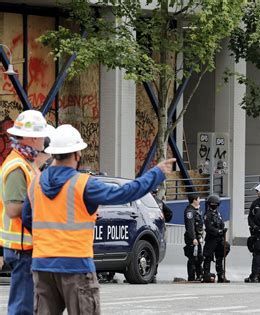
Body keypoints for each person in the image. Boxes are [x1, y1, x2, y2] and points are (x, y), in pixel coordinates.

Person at [21, 124, 175, 314]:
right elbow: (125, 193)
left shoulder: (35, 183)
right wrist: (156, 173)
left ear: (53, 153)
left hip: (42, 266)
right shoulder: (84, 185)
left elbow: (27, 220)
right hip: (75, 266)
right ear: (77, 154)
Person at [0, 110, 52, 315]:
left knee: (26, 305)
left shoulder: (26, 162)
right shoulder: (17, 166)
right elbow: (14, 209)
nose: (44, 140)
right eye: (42, 136)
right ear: (32, 138)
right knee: (22, 307)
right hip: (22, 248)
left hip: (25, 245)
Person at [203, 194, 230, 283]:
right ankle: (206, 275)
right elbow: (209, 227)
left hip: (219, 239)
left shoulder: (218, 214)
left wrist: (223, 231)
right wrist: (218, 231)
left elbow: (221, 224)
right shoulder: (208, 214)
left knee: (220, 257)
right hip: (211, 239)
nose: (215, 206)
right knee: (208, 257)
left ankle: (221, 275)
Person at [245, 183, 260, 282]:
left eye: (259, 191)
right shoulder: (255, 203)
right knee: (256, 253)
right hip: (256, 232)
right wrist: (254, 226)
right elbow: (250, 217)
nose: (257, 193)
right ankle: (255, 275)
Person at [184, 193, 204, 282]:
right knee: (192, 258)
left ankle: (199, 275)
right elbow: (190, 226)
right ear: (195, 200)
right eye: (199, 199)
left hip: (197, 238)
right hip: (192, 239)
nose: (200, 200)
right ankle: (191, 277)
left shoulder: (196, 210)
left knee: (199, 257)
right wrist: (193, 238)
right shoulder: (190, 212)